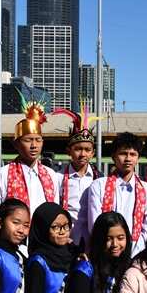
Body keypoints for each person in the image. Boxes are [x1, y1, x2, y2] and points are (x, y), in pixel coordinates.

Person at [87, 132, 147, 256]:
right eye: (123, 154)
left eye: (133, 154)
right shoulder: (98, 186)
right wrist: (112, 247)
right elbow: (95, 224)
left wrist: (132, 253)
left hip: (136, 255)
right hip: (105, 252)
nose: (128, 159)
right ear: (113, 156)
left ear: (138, 158)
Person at [0, 97, 60, 221]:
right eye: (28, 140)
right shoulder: (2, 174)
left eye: (38, 140)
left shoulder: (51, 175)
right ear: (16, 144)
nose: (34, 145)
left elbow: (54, 212)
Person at [53, 106, 100, 248]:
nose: (83, 154)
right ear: (69, 151)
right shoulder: (58, 178)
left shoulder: (100, 179)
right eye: (78, 149)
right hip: (66, 241)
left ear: (93, 153)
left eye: (87, 150)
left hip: (93, 242)